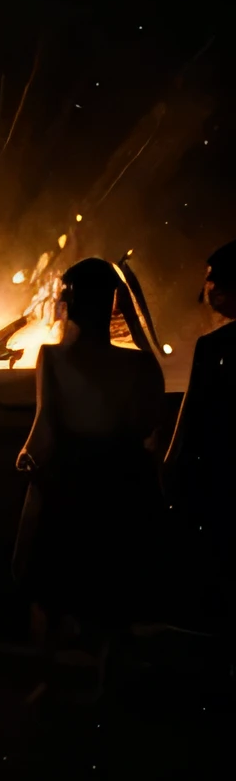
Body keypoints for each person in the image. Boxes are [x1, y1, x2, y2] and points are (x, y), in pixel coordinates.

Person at [13, 257, 168, 685]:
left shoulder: (52, 358)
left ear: (71, 301)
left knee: (47, 582)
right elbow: (145, 425)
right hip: (119, 476)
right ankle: (105, 682)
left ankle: (46, 681)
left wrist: (27, 456)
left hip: (72, 475)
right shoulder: (139, 365)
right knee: (111, 585)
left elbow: (45, 425)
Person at [164, 241, 236, 630]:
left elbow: (191, 414)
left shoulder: (215, 346)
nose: (205, 290)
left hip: (221, 476)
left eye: (210, 280)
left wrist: (171, 466)